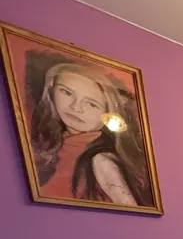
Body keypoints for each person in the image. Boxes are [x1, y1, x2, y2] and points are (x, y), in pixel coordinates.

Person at [29, 61, 152, 206]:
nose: (76, 107)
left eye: (91, 104)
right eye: (66, 92)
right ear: (51, 91)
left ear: (108, 113)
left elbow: (133, 212)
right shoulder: (47, 145)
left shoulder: (102, 161)